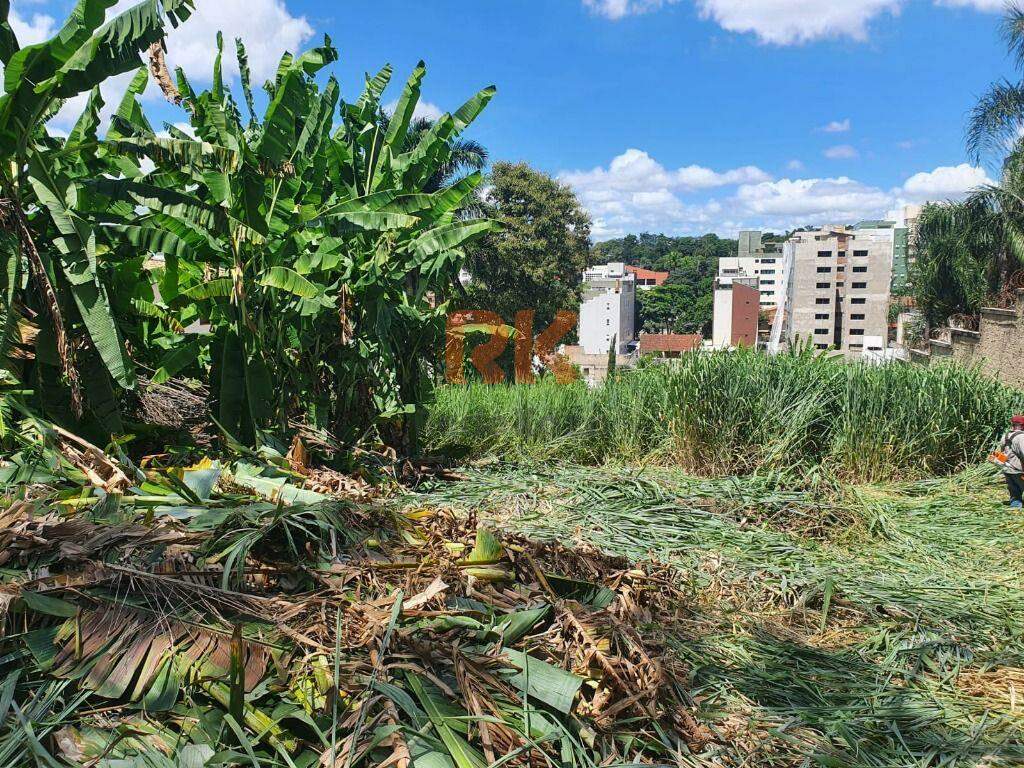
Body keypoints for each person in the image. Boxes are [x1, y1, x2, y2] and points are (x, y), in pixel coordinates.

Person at [1000, 415, 1024, 508]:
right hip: (1018, 470)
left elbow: (1002, 452)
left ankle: (1015, 509)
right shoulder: (1021, 437)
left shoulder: (1005, 436)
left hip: (1007, 469)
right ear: (1022, 426)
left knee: (1015, 494)